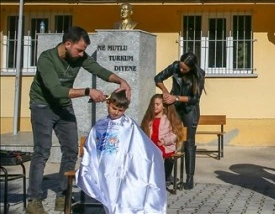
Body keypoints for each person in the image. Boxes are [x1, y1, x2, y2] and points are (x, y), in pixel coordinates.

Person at [26, 26, 131, 214]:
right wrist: (88, 91)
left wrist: (121, 81)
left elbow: (98, 69)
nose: (82, 54)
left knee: (71, 150)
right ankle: (34, 200)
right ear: (68, 44)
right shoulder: (46, 59)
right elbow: (56, 90)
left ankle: (62, 195)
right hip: (42, 105)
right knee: (42, 151)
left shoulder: (79, 57)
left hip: (63, 106)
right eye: (80, 49)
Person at [76, 91, 166, 214]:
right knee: (107, 196)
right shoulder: (100, 125)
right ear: (108, 103)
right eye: (114, 108)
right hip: (104, 167)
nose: (116, 112)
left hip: (121, 168)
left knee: (119, 196)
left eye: (120, 110)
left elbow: (140, 145)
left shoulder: (129, 125)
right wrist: (89, 163)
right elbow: (91, 145)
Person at [154, 52, 205, 190]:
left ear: (192, 68)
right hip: (175, 109)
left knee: (189, 142)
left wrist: (175, 98)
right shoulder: (175, 66)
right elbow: (158, 77)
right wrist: (165, 91)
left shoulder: (199, 74)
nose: (181, 70)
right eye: (181, 67)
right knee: (169, 140)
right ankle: (166, 175)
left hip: (190, 111)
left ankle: (189, 178)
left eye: (185, 69)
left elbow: (195, 98)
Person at [141, 94, 184, 186]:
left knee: (163, 154)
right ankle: (149, 176)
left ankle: (165, 176)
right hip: (151, 145)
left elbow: (175, 134)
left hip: (164, 145)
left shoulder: (168, 119)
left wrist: (165, 141)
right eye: (153, 104)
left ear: (163, 106)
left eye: (157, 104)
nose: (155, 106)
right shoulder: (149, 119)